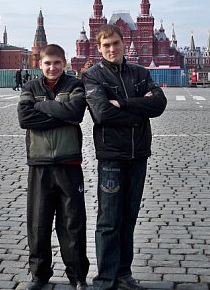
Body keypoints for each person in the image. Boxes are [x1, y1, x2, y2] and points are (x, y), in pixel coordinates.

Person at [83, 25, 167, 290]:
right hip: (112, 156)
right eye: (106, 45)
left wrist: (125, 104)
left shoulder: (140, 73)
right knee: (109, 220)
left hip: (138, 155)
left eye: (116, 43)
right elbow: (102, 114)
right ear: (99, 48)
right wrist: (140, 111)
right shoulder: (93, 76)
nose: (112, 49)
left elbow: (159, 104)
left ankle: (123, 274)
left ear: (123, 43)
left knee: (129, 217)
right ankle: (105, 280)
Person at [17, 44, 90, 290]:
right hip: (39, 163)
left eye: (57, 63)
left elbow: (76, 113)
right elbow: (25, 119)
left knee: (73, 223)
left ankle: (77, 275)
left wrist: (41, 107)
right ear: (40, 64)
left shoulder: (75, 85)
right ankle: (39, 275)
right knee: (38, 223)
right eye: (47, 63)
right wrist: (61, 114)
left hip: (69, 162)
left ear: (64, 62)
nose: (52, 67)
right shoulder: (30, 87)